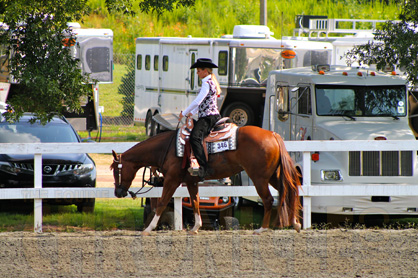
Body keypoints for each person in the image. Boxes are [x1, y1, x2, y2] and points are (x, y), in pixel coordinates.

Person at [179, 58, 221, 180]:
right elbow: (204, 103)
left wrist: (185, 112)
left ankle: (203, 168)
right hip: (209, 115)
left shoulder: (206, 84)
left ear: (205, 71)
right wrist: (191, 113)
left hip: (209, 117)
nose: (197, 73)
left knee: (194, 137)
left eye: (198, 70)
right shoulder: (210, 82)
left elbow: (198, 101)